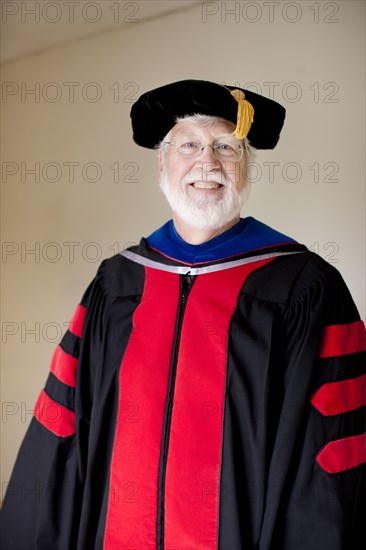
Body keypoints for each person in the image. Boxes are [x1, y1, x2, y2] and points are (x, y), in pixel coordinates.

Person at [1, 79, 365, 550]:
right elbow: (61, 429)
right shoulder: (116, 284)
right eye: (189, 144)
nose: (207, 162)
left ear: (246, 168)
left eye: (227, 147)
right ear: (162, 164)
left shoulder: (305, 287)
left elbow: (329, 452)